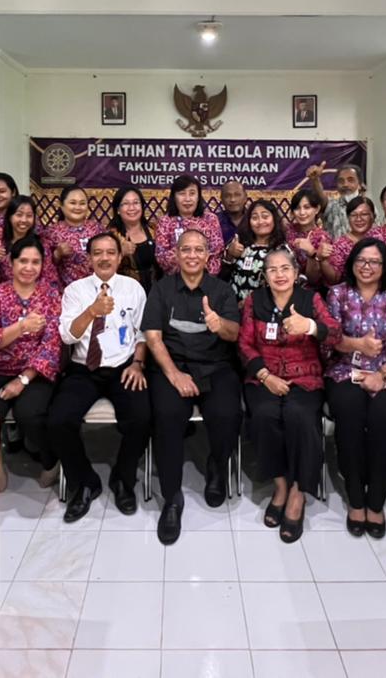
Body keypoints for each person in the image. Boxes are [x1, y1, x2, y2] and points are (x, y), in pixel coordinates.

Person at [141, 229, 242, 545]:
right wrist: (174, 375)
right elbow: (153, 337)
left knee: (227, 414)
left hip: (216, 365)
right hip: (173, 366)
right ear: (176, 254)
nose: (192, 255)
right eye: (186, 249)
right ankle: (172, 498)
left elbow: (234, 334)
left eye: (199, 250)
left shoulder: (221, 290)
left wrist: (219, 325)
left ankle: (217, 467)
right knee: (167, 417)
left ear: (209, 256)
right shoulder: (161, 289)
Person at [239, 248, 340, 543]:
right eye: (272, 270)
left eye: (285, 268)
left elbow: (335, 333)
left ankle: (298, 492)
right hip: (263, 377)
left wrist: (310, 326)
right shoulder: (254, 300)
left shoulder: (311, 299)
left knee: (301, 417)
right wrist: (265, 376)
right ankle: (281, 485)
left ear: (296, 273)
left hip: (304, 376)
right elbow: (244, 344)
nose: (279, 274)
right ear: (264, 276)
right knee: (264, 416)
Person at [49, 233, 151, 522]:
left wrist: (138, 363)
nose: (104, 258)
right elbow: (67, 335)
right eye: (97, 253)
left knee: (142, 418)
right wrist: (92, 311)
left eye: (110, 252)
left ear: (120, 257)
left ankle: (123, 479)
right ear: (89, 258)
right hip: (84, 369)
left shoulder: (133, 288)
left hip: (123, 366)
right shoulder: (75, 290)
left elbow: (143, 332)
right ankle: (85, 482)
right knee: (58, 421)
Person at [324, 237, 386, 539]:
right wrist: (357, 345)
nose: (367, 267)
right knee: (349, 412)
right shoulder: (337, 294)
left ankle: (376, 499)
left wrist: (383, 373)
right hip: (345, 370)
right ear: (352, 263)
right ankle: (355, 497)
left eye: (374, 261)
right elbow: (329, 339)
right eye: (361, 260)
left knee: (385, 417)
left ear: (385, 265)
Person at [0, 235, 62, 490]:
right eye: (23, 261)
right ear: (11, 263)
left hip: (36, 373)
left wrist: (23, 380)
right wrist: (21, 327)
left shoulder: (50, 295)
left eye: (35, 262)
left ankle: (50, 461)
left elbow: (52, 346)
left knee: (30, 414)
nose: (29, 267)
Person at [0, 195, 60, 292]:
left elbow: (50, 280)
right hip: (3, 296)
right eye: (19, 215)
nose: (24, 220)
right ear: (9, 217)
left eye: (29, 216)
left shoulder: (42, 245)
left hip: (36, 296)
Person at [154, 175, 225, 276]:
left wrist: (201, 272)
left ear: (198, 197)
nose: (187, 199)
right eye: (182, 194)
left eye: (192, 193)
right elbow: (161, 256)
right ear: (174, 197)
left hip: (206, 278)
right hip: (175, 279)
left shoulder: (210, 219)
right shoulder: (165, 222)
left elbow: (217, 253)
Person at [225, 198, 289, 301]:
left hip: (264, 307)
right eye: (255, 218)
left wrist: (250, 304)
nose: (260, 222)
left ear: (274, 219)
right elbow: (223, 276)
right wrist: (230, 254)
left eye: (265, 217)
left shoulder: (282, 250)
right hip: (233, 306)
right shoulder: (239, 244)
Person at [42, 186, 105, 286]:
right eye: (73, 203)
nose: (78, 207)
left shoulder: (97, 229)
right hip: (67, 290)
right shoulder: (52, 232)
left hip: (97, 287)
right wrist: (57, 254)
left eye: (82, 203)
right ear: (62, 205)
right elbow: (43, 264)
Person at [109, 186, 161, 290]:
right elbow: (104, 269)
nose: (132, 208)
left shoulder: (155, 229)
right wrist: (121, 252)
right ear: (118, 210)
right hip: (126, 292)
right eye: (126, 204)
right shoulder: (111, 236)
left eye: (136, 203)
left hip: (157, 291)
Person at [322, 196, 377, 284]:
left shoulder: (380, 238)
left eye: (364, 214)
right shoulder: (341, 244)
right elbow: (334, 279)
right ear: (348, 218)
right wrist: (323, 260)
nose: (359, 219)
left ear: (373, 216)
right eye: (354, 215)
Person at [286, 187, 334, 288]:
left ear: (317, 209)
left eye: (307, 207)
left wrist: (311, 252)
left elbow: (313, 280)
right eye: (297, 208)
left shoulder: (323, 238)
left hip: (308, 291)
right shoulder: (287, 230)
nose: (302, 212)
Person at [310, 163, 368, 239]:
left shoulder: (369, 208)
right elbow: (320, 198)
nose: (345, 184)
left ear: (360, 185)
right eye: (341, 181)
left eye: (350, 180)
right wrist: (315, 180)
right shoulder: (332, 206)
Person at [216, 179, 248, 247]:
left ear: (245, 197)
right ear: (221, 199)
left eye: (237, 195)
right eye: (227, 196)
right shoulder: (214, 221)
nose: (233, 199)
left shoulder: (254, 219)